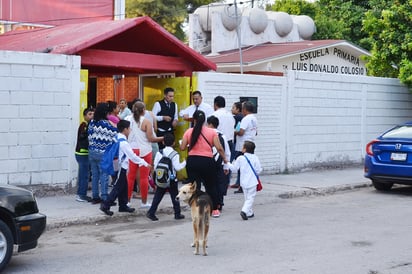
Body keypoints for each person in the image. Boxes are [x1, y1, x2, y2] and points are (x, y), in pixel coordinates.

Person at [179, 110, 228, 218]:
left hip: (192, 161)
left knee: (195, 187)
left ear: (194, 120)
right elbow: (219, 148)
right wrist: (225, 159)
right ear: (205, 120)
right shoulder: (211, 132)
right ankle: (214, 209)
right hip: (207, 162)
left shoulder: (188, 132)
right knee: (211, 186)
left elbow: (182, 148)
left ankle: (197, 209)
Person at [100, 120, 152, 216]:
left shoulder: (116, 137)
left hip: (117, 165)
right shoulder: (124, 143)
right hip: (122, 167)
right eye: (129, 128)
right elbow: (132, 156)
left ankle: (123, 205)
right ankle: (106, 205)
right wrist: (144, 163)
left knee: (124, 185)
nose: (130, 130)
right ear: (125, 129)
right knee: (118, 187)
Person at [126, 101, 164, 208]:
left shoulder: (127, 119)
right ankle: (144, 202)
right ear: (143, 110)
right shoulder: (146, 122)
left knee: (130, 177)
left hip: (132, 150)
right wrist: (163, 138)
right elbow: (151, 138)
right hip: (145, 150)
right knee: (144, 177)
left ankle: (127, 201)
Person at [146, 133, 186, 221]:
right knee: (175, 196)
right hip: (171, 179)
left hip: (161, 178)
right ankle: (177, 213)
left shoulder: (159, 153)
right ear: (173, 143)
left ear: (163, 142)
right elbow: (177, 167)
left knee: (158, 195)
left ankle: (151, 212)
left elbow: (156, 166)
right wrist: (184, 162)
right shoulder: (175, 154)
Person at [88, 102, 118, 204]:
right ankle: (105, 197)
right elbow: (116, 134)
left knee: (95, 175)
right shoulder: (106, 124)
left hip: (92, 152)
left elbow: (89, 136)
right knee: (104, 175)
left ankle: (95, 196)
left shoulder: (92, 122)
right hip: (103, 153)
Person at [226, 141, 262, 220]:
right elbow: (259, 170)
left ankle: (250, 212)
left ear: (245, 149)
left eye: (242, 147)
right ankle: (244, 211)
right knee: (250, 198)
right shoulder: (255, 157)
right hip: (252, 182)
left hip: (243, 182)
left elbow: (234, 168)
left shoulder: (240, 158)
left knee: (247, 198)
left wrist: (227, 163)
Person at [206, 116, 231, 212]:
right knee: (219, 183)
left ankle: (211, 203)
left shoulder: (205, 135)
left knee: (209, 184)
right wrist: (226, 165)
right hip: (220, 163)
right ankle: (220, 203)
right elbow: (227, 152)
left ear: (210, 124)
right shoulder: (222, 136)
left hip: (208, 163)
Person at [234, 101, 257, 194]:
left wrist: (235, 131)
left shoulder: (245, 119)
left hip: (243, 145)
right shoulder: (254, 119)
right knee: (248, 167)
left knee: (242, 167)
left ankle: (241, 186)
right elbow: (256, 132)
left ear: (245, 109)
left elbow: (241, 132)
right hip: (251, 143)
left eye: (242, 108)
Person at [75, 107, 94, 202]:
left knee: (84, 175)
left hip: (85, 154)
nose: (92, 116)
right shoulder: (84, 125)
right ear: (84, 116)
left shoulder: (88, 125)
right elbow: (84, 138)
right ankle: (81, 195)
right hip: (82, 154)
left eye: (93, 114)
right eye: (89, 114)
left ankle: (81, 193)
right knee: (84, 175)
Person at [230, 101, 244, 189]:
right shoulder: (242, 117)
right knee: (240, 164)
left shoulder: (237, 118)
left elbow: (237, 129)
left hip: (235, 143)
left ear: (238, 109)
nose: (231, 109)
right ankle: (239, 182)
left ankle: (227, 181)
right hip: (240, 143)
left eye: (233, 108)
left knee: (229, 161)